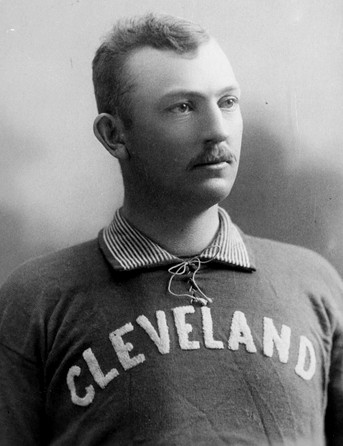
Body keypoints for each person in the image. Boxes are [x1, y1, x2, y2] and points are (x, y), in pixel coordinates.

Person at [0, 13, 342, 446]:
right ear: (114, 135)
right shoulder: (36, 300)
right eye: (183, 107)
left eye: (228, 102)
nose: (217, 130)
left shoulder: (315, 286)